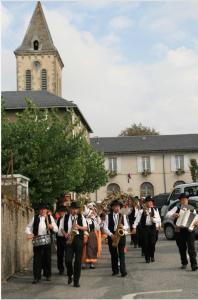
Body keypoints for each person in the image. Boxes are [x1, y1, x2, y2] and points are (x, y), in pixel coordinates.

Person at [25, 203, 58, 284]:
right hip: (37, 240)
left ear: (46, 210)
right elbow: (28, 227)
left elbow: (56, 229)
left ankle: (47, 275)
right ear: (39, 211)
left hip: (47, 240)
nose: (43, 211)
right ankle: (36, 277)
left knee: (47, 258)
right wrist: (30, 233)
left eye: (44, 209)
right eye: (41, 209)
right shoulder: (35, 218)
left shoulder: (50, 218)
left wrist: (52, 227)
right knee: (37, 259)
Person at [166, 193, 198, 271]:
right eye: (182, 200)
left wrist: (196, 222)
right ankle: (184, 262)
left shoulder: (192, 208)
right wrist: (173, 214)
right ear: (180, 201)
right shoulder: (176, 208)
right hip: (179, 230)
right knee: (182, 248)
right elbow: (167, 214)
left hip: (189, 230)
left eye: (185, 200)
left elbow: (196, 217)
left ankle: (194, 265)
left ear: (187, 200)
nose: (184, 201)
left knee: (191, 248)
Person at [61, 201, 88, 287]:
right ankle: (70, 275)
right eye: (73, 209)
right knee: (68, 260)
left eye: (76, 209)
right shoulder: (65, 217)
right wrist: (65, 234)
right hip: (69, 240)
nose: (74, 211)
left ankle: (76, 281)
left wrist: (79, 227)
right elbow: (61, 228)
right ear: (70, 209)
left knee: (77, 262)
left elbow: (86, 227)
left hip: (78, 240)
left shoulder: (81, 217)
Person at [103, 199, 129, 277]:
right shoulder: (108, 216)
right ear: (112, 208)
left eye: (118, 206)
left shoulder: (123, 215)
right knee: (113, 254)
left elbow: (127, 226)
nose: (117, 208)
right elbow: (105, 228)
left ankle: (123, 271)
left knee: (122, 254)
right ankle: (115, 270)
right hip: (112, 235)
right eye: (115, 207)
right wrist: (111, 235)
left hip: (121, 235)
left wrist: (123, 227)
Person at [132, 196, 161, 263]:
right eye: (148, 202)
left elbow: (158, 219)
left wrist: (155, 221)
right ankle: (147, 258)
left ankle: (152, 256)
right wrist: (134, 227)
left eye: (151, 202)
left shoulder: (155, 210)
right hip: (144, 229)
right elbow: (137, 220)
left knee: (152, 243)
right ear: (145, 203)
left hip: (152, 228)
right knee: (146, 243)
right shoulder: (141, 211)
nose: (150, 203)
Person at [56, 205, 68, 275]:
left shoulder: (67, 219)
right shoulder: (58, 219)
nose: (60, 213)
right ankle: (61, 269)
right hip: (59, 238)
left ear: (64, 212)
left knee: (67, 255)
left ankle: (68, 268)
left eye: (62, 212)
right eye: (60, 212)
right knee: (59, 255)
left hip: (65, 238)